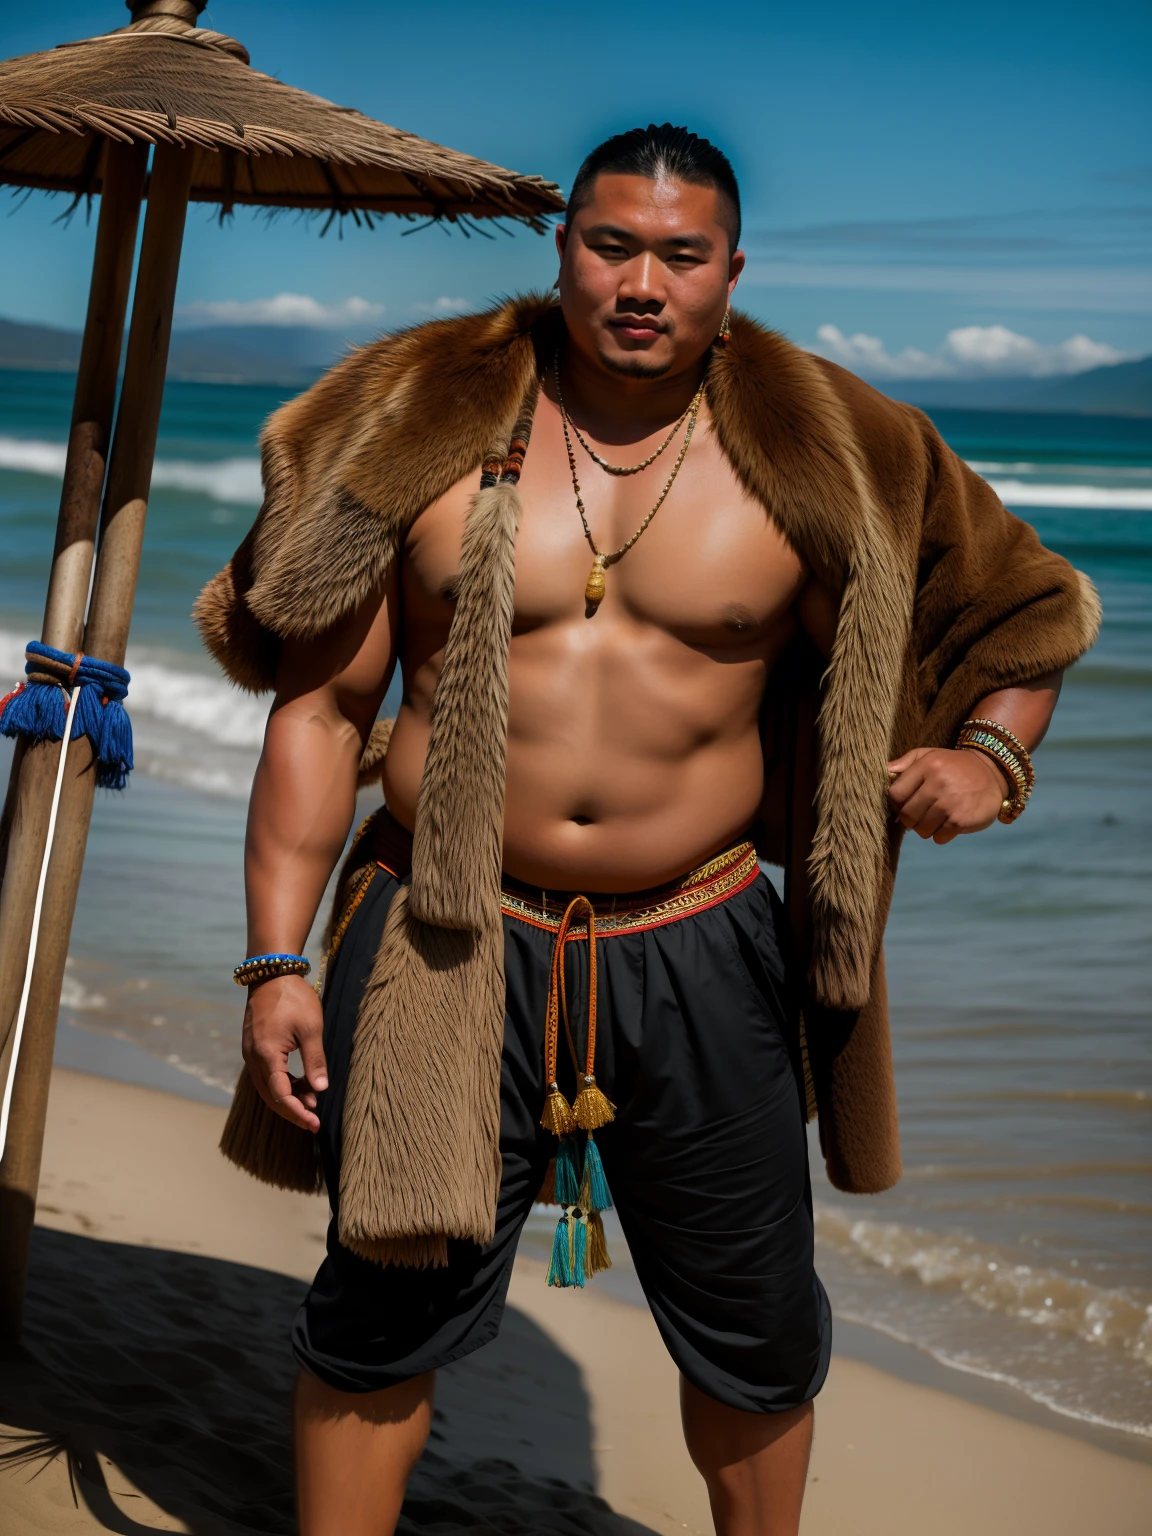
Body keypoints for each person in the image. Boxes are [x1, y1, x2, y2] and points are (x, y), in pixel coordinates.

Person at [195, 125, 1099, 1536]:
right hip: (446, 936)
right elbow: (319, 712)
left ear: (732, 272)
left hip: (699, 935)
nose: (642, 282)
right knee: (380, 1305)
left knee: (754, 1330)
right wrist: (273, 966)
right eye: (612, 244)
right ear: (563, 247)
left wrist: (991, 756)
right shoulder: (421, 421)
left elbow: (1025, 613)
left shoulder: (838, 445)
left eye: (681, 255)